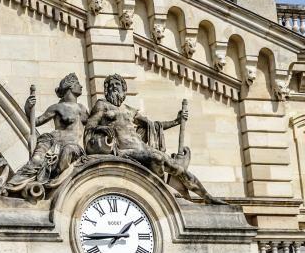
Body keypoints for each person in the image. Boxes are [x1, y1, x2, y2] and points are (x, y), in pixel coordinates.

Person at [85, 73, 224, 204]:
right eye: (111, 85)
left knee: (176, 167)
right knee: (157, 158)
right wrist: (101, 129)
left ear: (124, 89)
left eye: (117, 84)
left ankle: (208, 197)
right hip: (124, 151)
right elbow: (89, 128)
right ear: (106, 89)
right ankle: (163, 191)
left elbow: (153, 125)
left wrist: (176, 121)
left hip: (141, 148)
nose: (114, 87)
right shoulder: (102, 105)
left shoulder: (130, 110)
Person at [4, 73, 88, 195]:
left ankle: (51, 185)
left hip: (72, 146)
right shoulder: (57, 107)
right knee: (36, 161)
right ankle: (10, 187)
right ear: (69, 86)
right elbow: (36, 122)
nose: (81, 86)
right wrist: (28, 108)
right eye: (77, 84)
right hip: (51, 141)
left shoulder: (83, 109)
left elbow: (92, 126)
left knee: (68, 152)